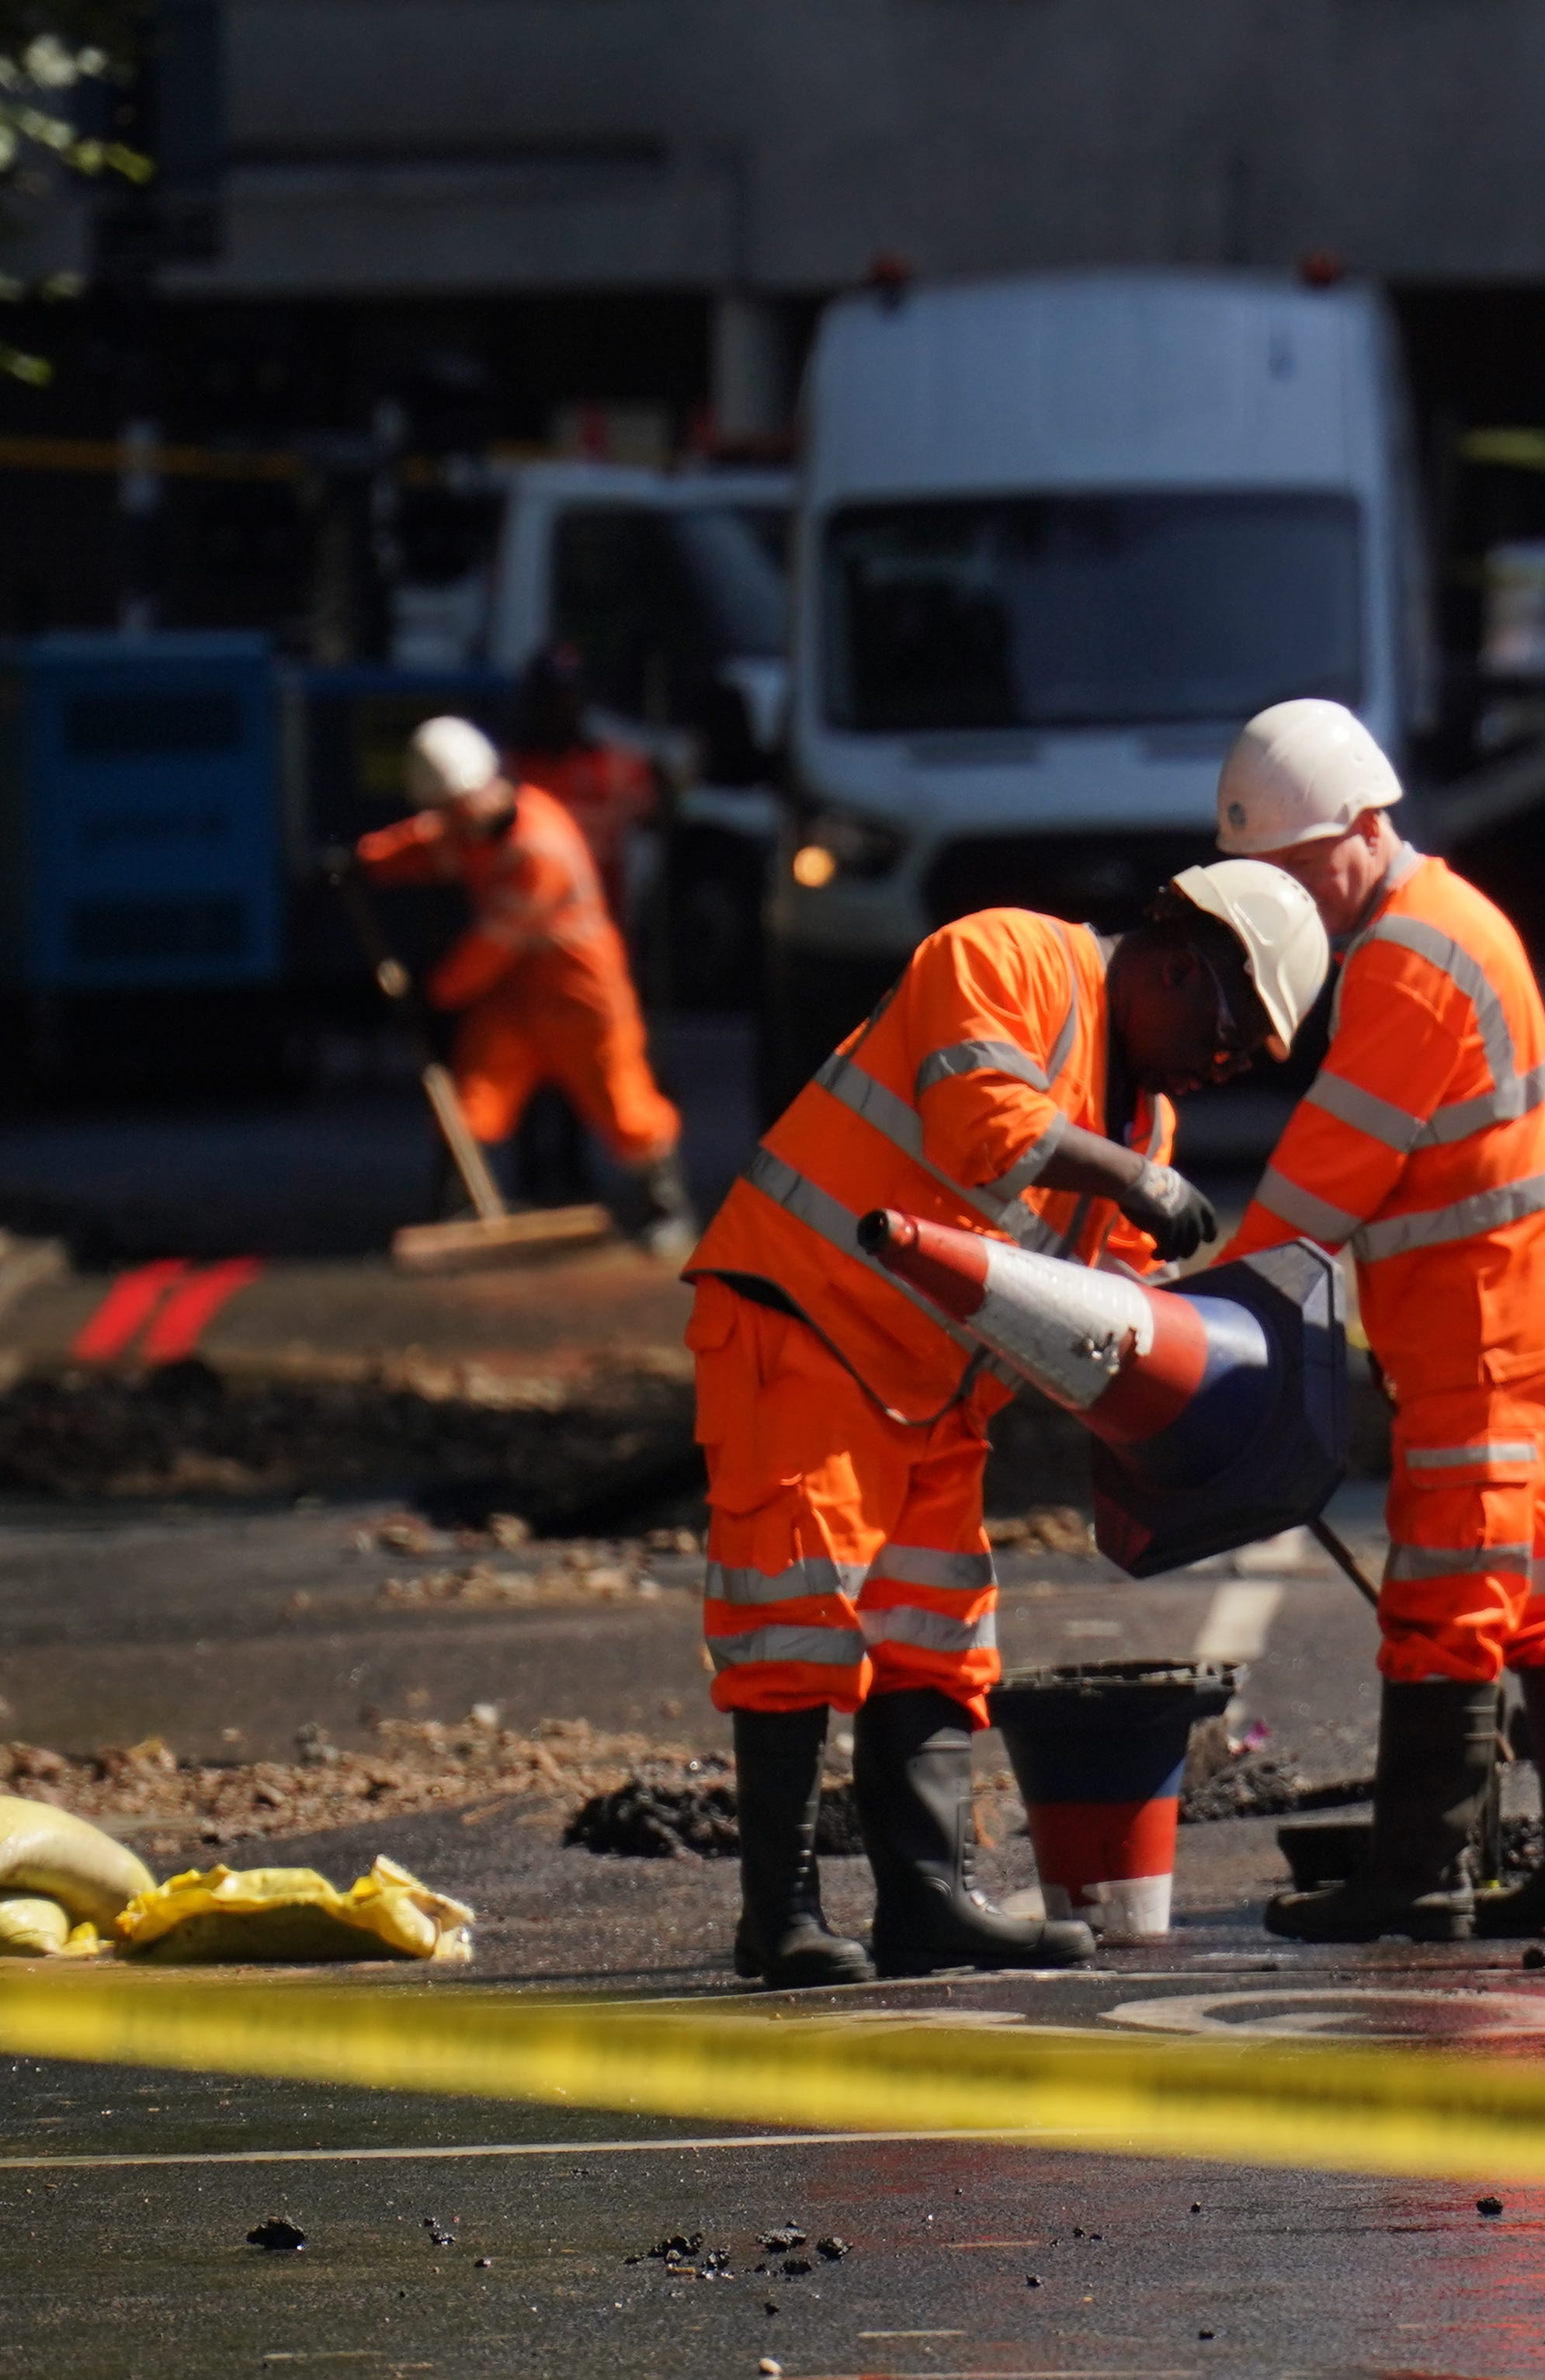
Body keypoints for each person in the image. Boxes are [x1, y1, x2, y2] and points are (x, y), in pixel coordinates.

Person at [680, 860, 1330, 1986]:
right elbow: (984, 1125)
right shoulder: (1004, 956)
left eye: (1245, 1063)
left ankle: (926, 1902)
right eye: (1226, 1037)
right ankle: (778, 1914)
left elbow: (1108, 1314)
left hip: (931, 1391)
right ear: (1180, 959)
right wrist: (1135, 1177)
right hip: (809, 1322)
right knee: (799, 1616)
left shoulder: (1145, 1117)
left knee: (934, 1631)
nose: (1218, 1070)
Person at [1208, 700, 1545, 1945]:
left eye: (1295, 869)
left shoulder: (1412, 954)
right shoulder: (1435, 929)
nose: (1285, 899)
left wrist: (1215, 1315)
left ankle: (1422, 1872)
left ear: (1364, 826)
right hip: (1520, 1323)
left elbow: (1325, 1171)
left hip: (1490, 1334)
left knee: (1443, 1593)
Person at [353, 716, 695, 1256]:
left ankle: (667, 1211)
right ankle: (458, 1208)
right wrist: (367, 860)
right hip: (515, 997)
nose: (453, 822)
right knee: (473, 1100)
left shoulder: (539, 847)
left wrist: (435, 994)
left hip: (581, 998)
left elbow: (495, 943)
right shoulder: (472, 826)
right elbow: (428, 844)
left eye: (457, 810)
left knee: (625, 1104)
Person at [504, 642, 661, 920]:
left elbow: (659, 814)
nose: (562, 707)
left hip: (592, 933)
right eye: (551, 698)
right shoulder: (509, 773)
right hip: (523, 934)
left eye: (570, 696)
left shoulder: (615, 769)